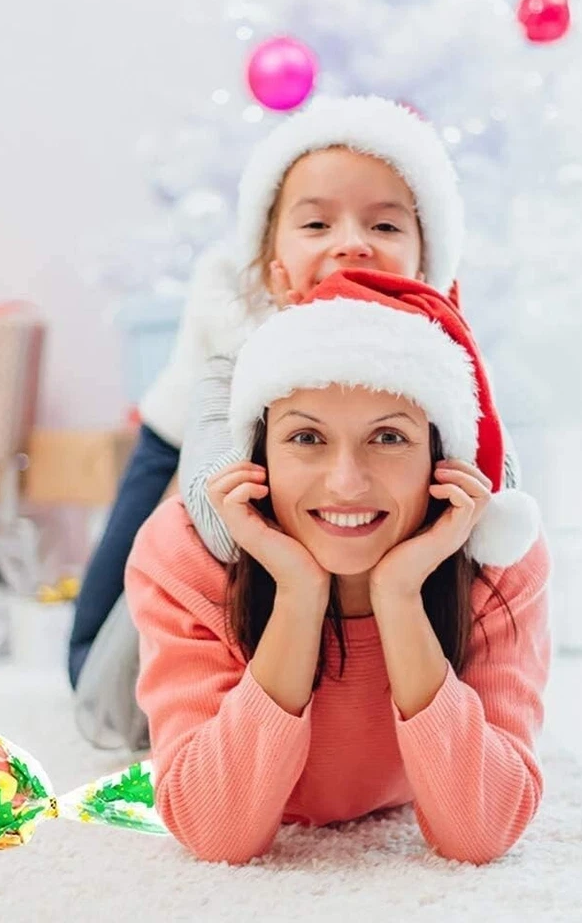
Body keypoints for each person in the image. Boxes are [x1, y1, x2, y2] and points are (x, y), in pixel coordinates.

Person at [69, 94, 520, 692]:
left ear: (424, 271)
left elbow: (499, 500)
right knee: (101, 647)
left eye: (384, 225)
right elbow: (220, 526)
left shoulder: (443, 358)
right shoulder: (235, 350)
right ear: (279, 272)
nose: (351, 243)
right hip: (176, 434)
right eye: (316, 224)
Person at [125, 268, 547, 865]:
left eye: (389, 438)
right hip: (206, 618)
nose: (346, 481)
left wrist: (399, 596)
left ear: (440, 456)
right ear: (259, 453)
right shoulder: (182, 551)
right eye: (306, 439)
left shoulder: (499, 560)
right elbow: (215, 833)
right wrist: (299, 595)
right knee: (106, 715)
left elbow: (480, 833)